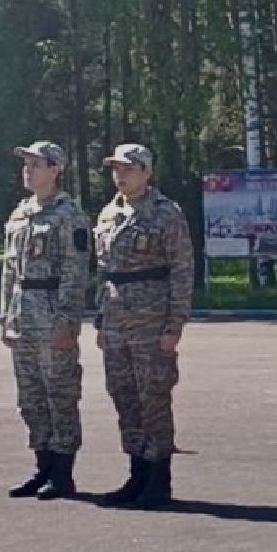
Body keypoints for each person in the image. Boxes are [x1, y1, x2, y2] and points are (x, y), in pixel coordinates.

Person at [93, 144, 195, 511]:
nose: (120, 176)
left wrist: (174, 325)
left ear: (146, 172)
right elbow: (104, 273)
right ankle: (136, 473)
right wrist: (101, 319)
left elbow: (182, 271)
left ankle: (158, 479)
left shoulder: (166, 214)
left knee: (154, 399)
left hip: (152, 322)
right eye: (115, 170)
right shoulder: (109, 213)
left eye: (128, 169)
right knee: (124, 398)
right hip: (116, 321)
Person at [0, 141, 91, 500]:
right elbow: (9, 270)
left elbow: (75, 270)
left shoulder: (69, 216)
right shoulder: (20, 214)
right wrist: (5, 315)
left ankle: (63, 473)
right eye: (27, 164)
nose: (28, 170)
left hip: (52, 315)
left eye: (36, 164)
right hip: (23, 317)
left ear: (56, 170)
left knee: (60, 395)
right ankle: (42, 466)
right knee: (30, 397)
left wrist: (68, 320)